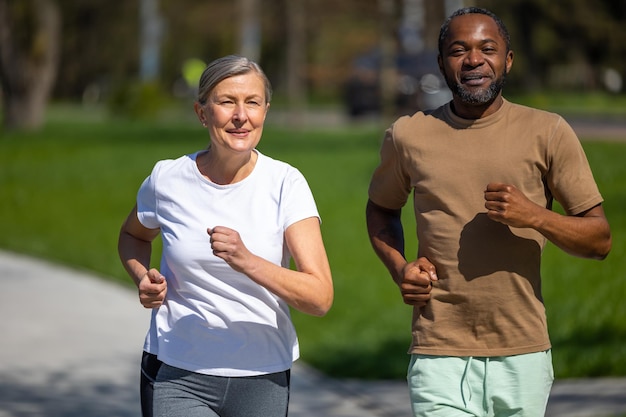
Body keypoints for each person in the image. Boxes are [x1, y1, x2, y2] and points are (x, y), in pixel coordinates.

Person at [365, 7, 611, 417]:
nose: (473, 59)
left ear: (507, 60)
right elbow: (381, 209)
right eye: (458, 50)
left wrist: (534, 215)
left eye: (487, 49)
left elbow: (599, 240)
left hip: (522, 352)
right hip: (438, 350)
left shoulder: (547, 131)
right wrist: (399, 268)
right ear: (442, 63)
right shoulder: (409, 134)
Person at [118, 55, 333, 417]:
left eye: (252, 102)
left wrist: (246, 260)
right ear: (202, 113)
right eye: (226, 102)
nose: (240, 116)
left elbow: (320, 297)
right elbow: (132, 234)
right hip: (177, 370)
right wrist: (143, 276)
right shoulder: (167, 179)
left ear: (265, 110)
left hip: (262, 373)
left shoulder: (286, 184)